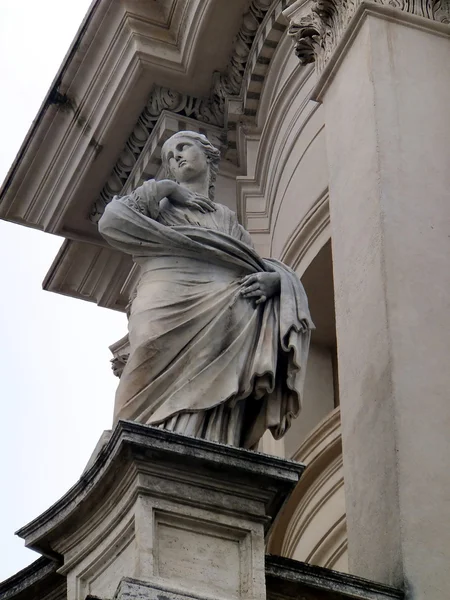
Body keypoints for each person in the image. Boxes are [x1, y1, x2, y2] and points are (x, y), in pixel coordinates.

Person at [98, 131, 313, 449]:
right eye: (170, 156)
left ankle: (205, 445)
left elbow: (250, 266)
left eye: (183, 147)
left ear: (209, 155)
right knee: (141, 378)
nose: (176, 158)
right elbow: (111, 222)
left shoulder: (230, 223)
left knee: (213, 401)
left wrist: (277, 282)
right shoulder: (161, 206)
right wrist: (166, 188)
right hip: (164, 300)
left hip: (226, 315)